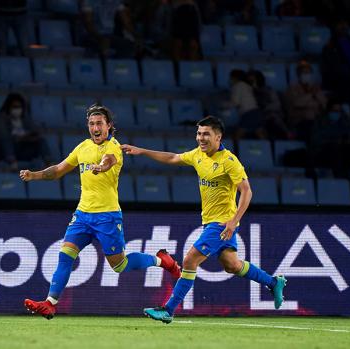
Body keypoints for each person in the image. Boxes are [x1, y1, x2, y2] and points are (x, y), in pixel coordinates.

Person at [21, 104, 181, 320]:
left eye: (99, 123)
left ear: (109, 126)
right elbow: (58, 170)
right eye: (91, 123)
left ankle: (164, 261)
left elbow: (109, 161)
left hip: (107, 216)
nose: (95, 128)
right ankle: (50, 303)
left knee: (119, 265)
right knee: (65, 255)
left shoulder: (113, 147)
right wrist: (34, 175)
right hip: (82, 215)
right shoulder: (82, 148)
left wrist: (101, 167)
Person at [121, 115, 286, 324]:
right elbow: (173, 158)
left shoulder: (229, 161)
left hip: (222, 223)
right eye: (199, 133)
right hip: (211, 222)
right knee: (232, 265)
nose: (201, 138)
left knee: (190, 259)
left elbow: (246, 191)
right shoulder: (198, 155)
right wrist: (142, 151)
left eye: (206, 134)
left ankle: (168, 310)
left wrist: (234, 220)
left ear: (218, 137)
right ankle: (273, 282)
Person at [0, 93, 51, 169]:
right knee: (7, 141)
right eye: (15, 107)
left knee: (41, 140)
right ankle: (12, 161)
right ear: (8, 107)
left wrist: (27, 137)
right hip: (6, 151)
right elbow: (4, 136)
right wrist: (17, 138)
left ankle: (49, 163)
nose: (18, 109)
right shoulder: (2, 120)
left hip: (22, 148)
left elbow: (35, 131)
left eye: (20, 107)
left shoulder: (24, 118)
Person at [285, 60, 327, 142]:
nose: (307, 75)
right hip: (300, 122)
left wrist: (310, 99)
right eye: (304, 73)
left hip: (317, 121)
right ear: (298, 75)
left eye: (309, 72)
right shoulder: (292, 89)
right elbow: (297, 103)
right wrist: (311, 95)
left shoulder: (316, 88)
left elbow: (325, 104)